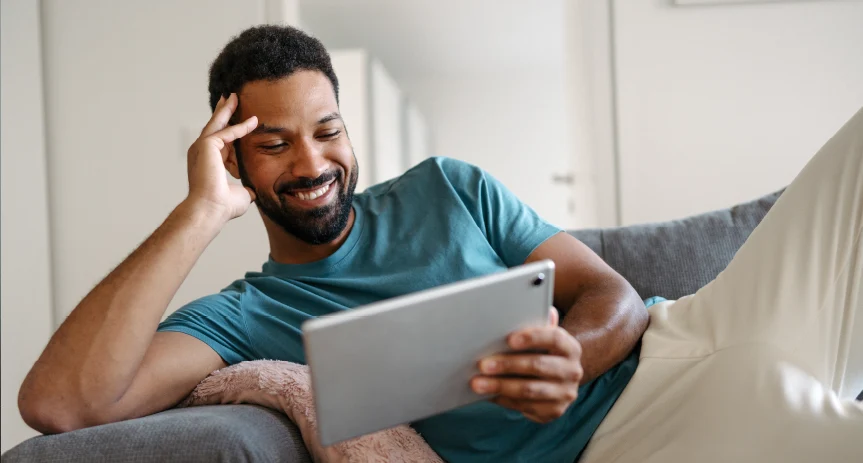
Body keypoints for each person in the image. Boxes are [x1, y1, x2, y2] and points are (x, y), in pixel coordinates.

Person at [17, 25, 861, 462]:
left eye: (327, 130)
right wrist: (197, 212)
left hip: (695, 334)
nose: (312, 162)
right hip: (644, 440)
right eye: (273, 143)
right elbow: (63, 405)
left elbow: (611, 297)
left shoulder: (446, 186)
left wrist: (571, 353)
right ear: (231, 154)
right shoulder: (243, 318)